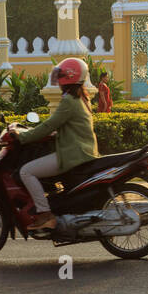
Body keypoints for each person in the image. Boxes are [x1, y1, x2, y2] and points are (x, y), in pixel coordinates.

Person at [14, 58, 100, 230]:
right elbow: (66, 126)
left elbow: (48, 125)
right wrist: (54, 133)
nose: (58, 80)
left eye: (60, 75)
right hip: (82, 151)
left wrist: (22, 137)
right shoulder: (81, 98)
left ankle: (45, 214)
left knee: (26, 171)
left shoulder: (69, 101)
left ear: (69, 77)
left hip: (73, 154)